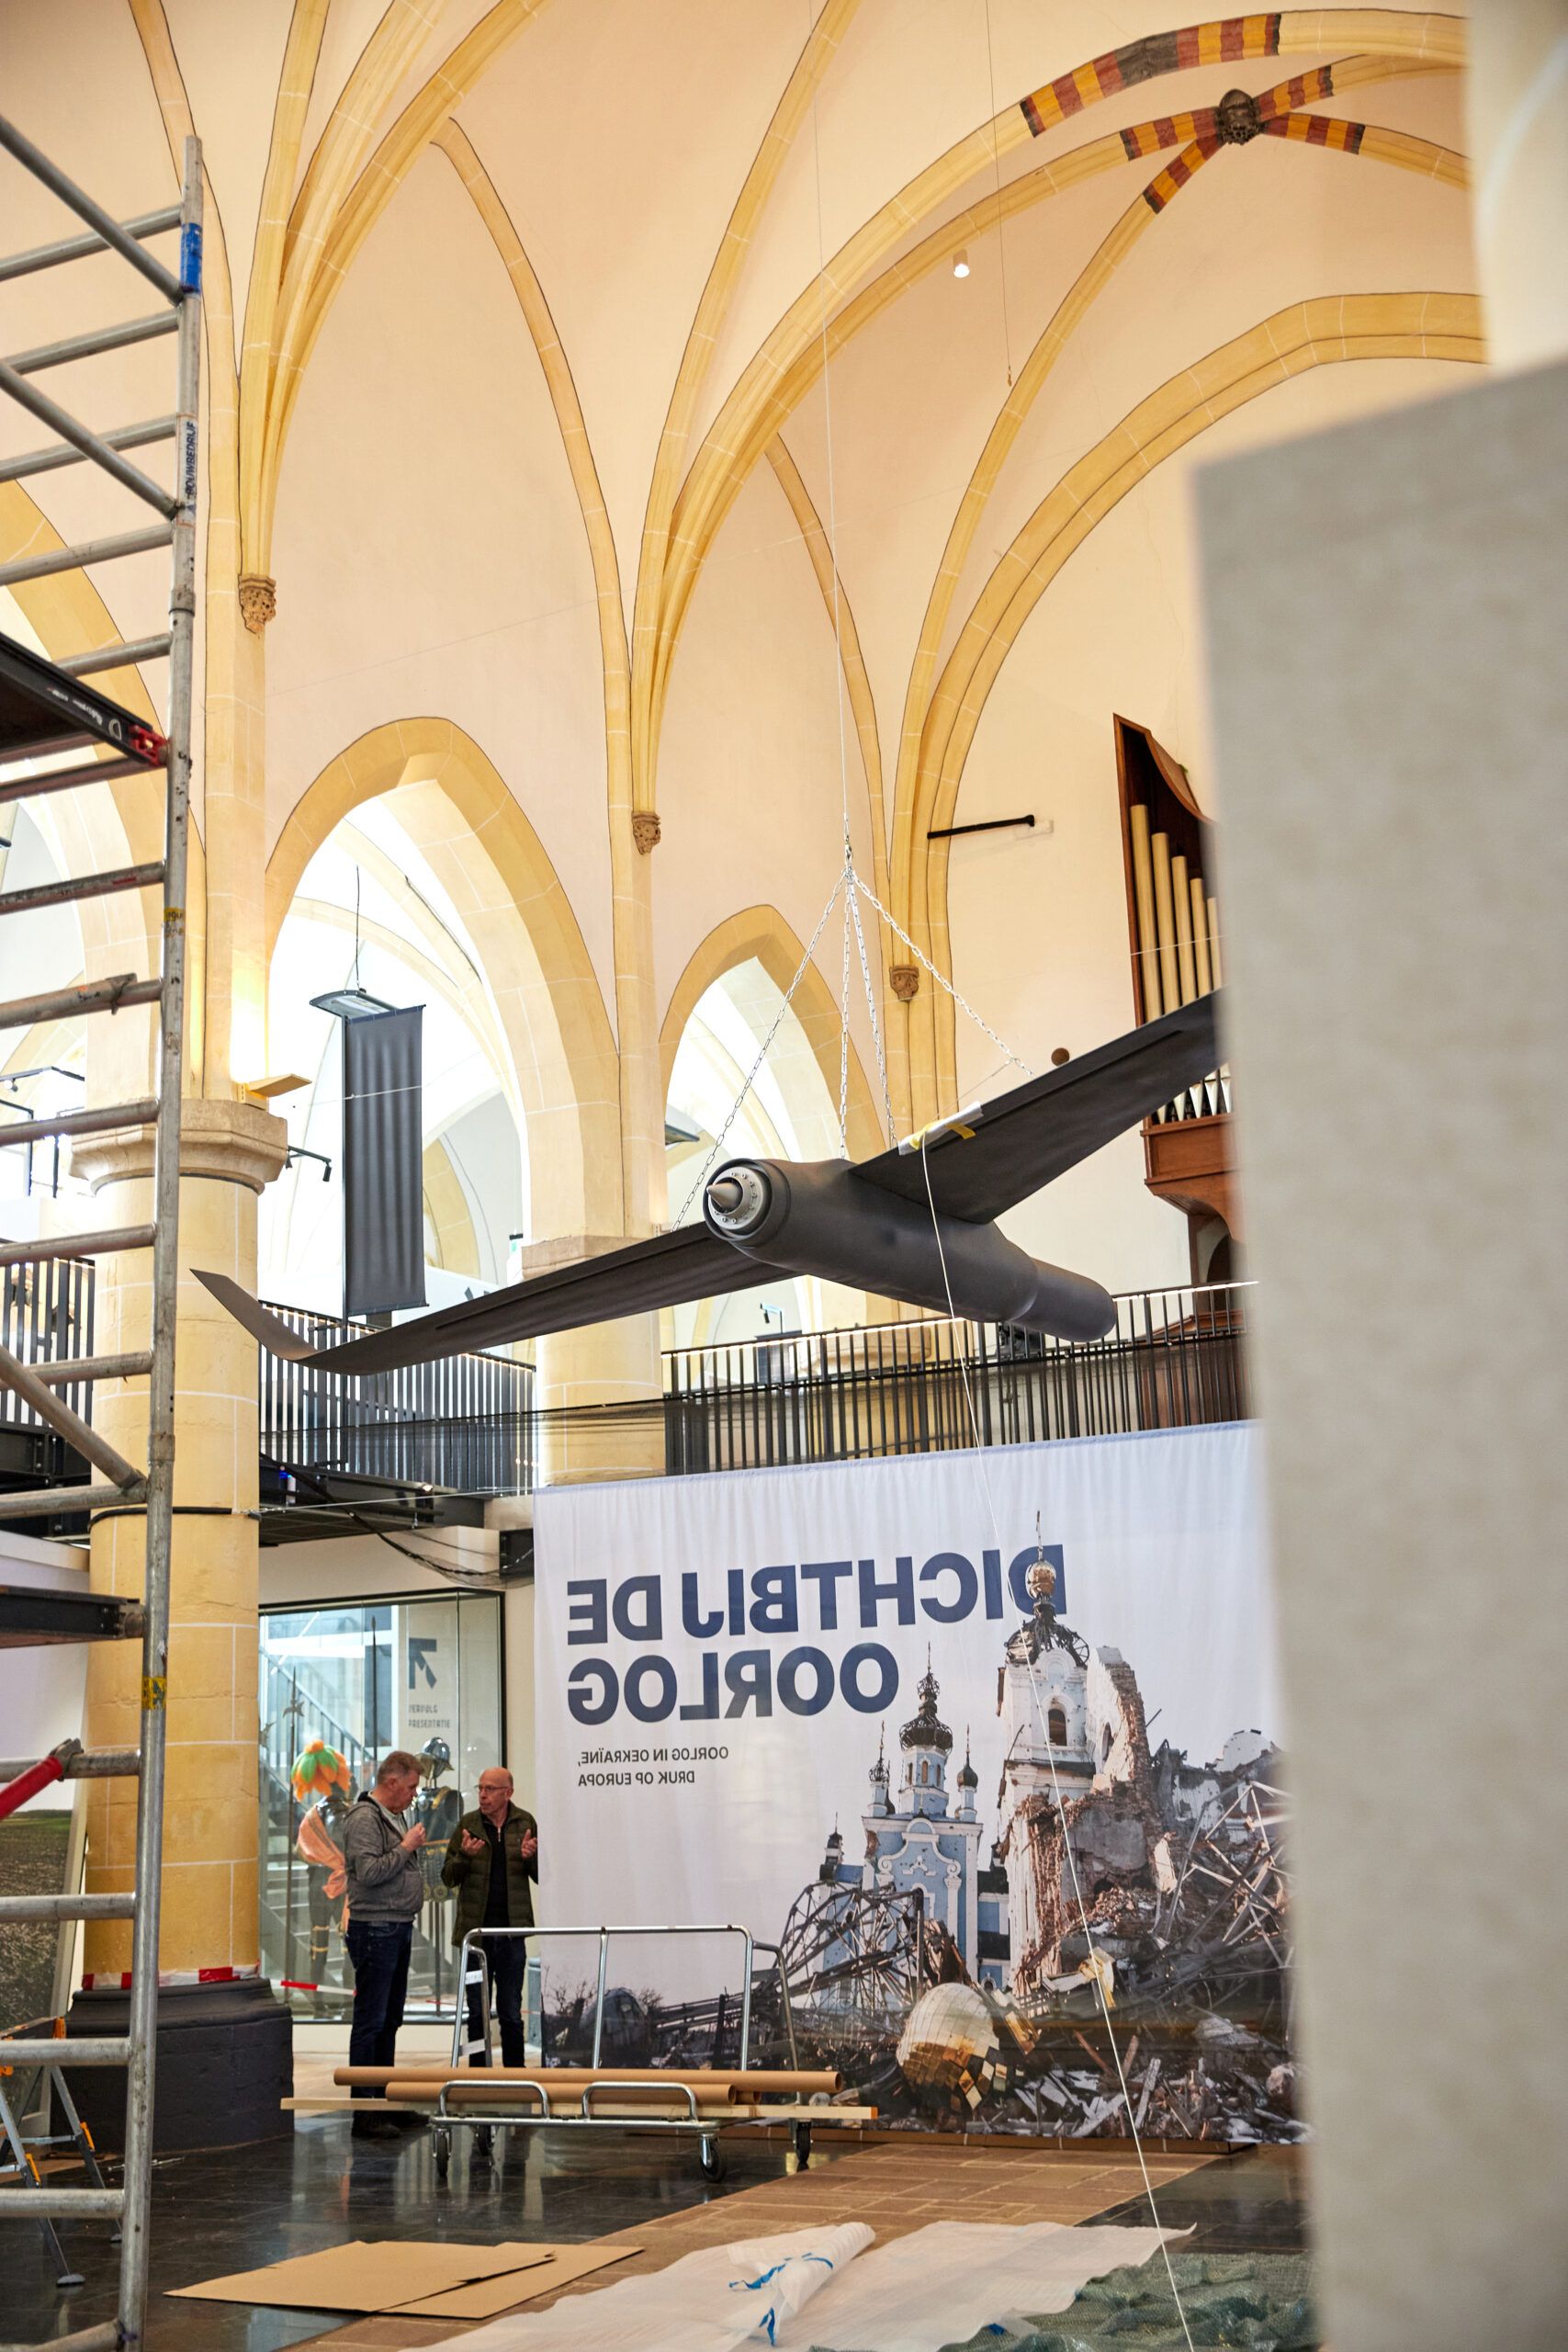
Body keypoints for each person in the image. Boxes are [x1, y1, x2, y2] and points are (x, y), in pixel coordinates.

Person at [341, 1749, 426, 2135]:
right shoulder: (364, 1818)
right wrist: (406, 1847)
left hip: (396, 1925)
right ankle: (365, 2110)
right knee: (371, 2021)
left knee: (390, 2019)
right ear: (391, 1782)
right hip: (375, 1927)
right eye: (410, 1787)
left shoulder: (393, 1815)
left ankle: (385, 2100)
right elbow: (369, 1872)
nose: (413, 1794)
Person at [442, 1766, 538, 2067]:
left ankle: (516, 2077)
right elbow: (447, 1877)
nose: (483, 1795)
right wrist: (464, 1856)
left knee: (510, 2013)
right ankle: (477, 2078)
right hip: (476, 1939)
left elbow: (542, 1876)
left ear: (508, 1793)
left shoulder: (525, 1823)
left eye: (490, 1789)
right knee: (477, 2014)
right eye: (480, 1788)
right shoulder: (468, 1824)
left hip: (511, 1937)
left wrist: (531, 1858)